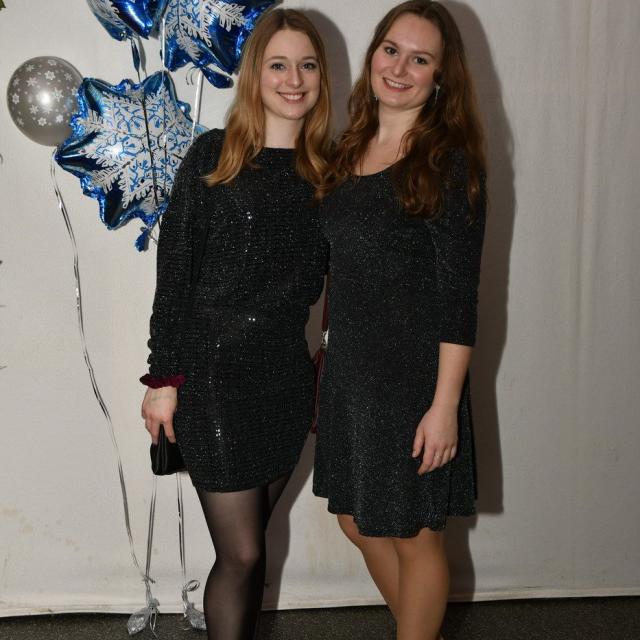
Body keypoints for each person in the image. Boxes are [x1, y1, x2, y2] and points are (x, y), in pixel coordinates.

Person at [140, 9, 331, 639]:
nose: (294, 79)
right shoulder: (214, 156)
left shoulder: (330, 173)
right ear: (254, 74)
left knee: (255, 548)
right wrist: (162, 379)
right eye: (278, 64)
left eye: (307, 65)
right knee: (242, 552)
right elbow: (175, 276)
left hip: (285, 380)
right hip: (213, 379)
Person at [313, 2, 486, 639]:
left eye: (420, 59)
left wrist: (444, 406)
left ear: (441, 76)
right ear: (373, 55)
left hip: (413, 379)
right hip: (351, 375)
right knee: (356, 519)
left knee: (415, 534)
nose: (400, 68)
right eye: (392, 50)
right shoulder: (346, 149)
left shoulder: (449, 162)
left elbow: (460, 298)